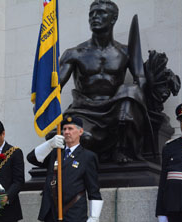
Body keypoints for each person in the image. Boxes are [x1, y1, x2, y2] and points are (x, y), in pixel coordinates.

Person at [60, 0, 151, 163]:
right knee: (84, 138)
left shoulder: (125, 51)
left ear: (113, 18)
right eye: (92, 14)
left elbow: (141, 78)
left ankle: (121, 149)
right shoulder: (75, 53)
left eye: (101, 13)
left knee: (130, 92)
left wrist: (135, 96)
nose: (95, 17)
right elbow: (55, 87)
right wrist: (43, 106)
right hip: (84, 110)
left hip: (115, 108)